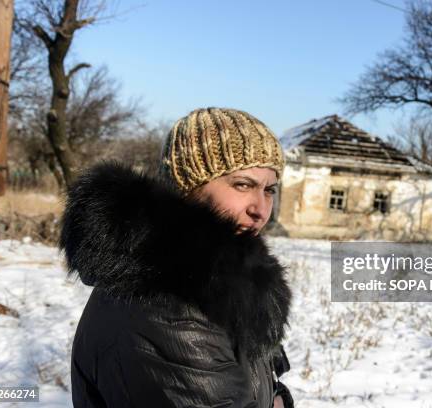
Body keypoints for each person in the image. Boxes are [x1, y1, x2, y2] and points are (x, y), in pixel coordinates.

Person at [61, 108, 294, 407]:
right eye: (243, 184)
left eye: (269, 189)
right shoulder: (166, 308)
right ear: (188, 188)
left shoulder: (223, 280)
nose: (261, 209)